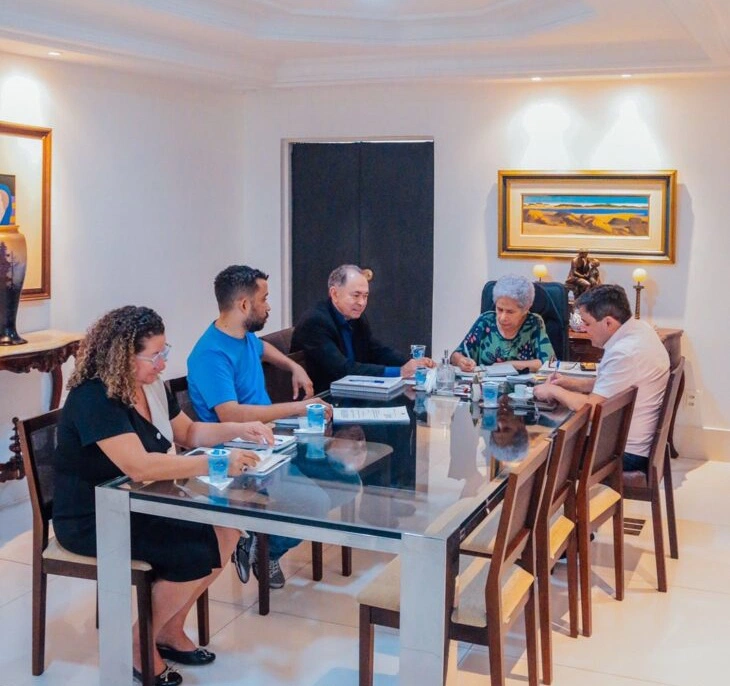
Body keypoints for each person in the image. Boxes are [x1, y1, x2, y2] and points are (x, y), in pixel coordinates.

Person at [53, 306, 272, 686]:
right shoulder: (95, 398)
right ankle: (139, 645)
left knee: (228, 527)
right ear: (122, 356)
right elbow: (140, 467)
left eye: (163, 351)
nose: (162, 362)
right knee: (191, 550)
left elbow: (188, 435)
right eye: (154, 355)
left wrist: (241, 430)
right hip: (95, 517)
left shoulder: (150, 385)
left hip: (144, 500)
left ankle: (168, 630)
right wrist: (216, 464)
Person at [188, 265, 326, 590]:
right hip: (237, 452)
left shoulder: (244, 336)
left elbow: (264, 348)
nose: (269, 306)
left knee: (344, 479)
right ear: (244, 305)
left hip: (269, 439)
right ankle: (260, 547)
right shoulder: (210, 354)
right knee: (317, 502)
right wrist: (299, 407)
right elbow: (231, 415)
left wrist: (293, 366)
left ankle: (263, 544)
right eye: (264, 299)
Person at [533, 284, 669, 472]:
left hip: (625, 452)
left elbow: (593, 408)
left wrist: (554, 390)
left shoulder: (624, 352)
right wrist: (571, 384)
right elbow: (612, 383)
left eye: (587, 323)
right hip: (630, 440)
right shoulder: (641, 330)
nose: (583, 329)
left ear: (608, 323)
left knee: (536, 453)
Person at [291, 264, 434, 393]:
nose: (362, 303)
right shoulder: (315, 322)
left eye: (365, 296)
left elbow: (375, 350)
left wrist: (411, 364)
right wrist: (399, 371)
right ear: (335, 294)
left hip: (353, 391)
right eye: (356, 295)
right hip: (323, 399)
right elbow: (342, 370)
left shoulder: (355, 317)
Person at [450, 274, 555, 373]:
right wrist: (461, 361)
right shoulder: (486, 321)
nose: (503, 317)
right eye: (499, 309)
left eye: (510, 312)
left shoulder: (533, 323)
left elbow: (548, 363)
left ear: (526, 309)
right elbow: (456, 355)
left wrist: (508, 365)